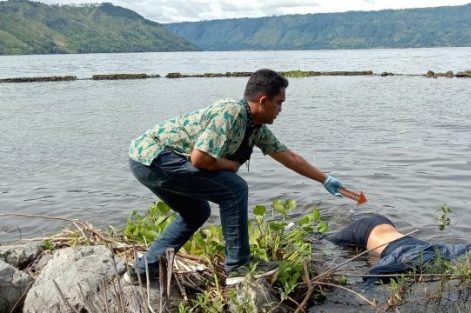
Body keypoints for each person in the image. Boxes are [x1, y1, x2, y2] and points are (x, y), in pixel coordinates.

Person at [127, 69, 345, 286]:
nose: (281, 109)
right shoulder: (231, 113)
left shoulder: (255, 127)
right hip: (154, 157)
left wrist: (324, 179)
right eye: (279, 102)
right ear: (262, 100)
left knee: (196, 211)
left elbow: (289, 157)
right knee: (234, 189)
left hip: (145, 160)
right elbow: (199, 159)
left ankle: (144, 269)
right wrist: (229, 165)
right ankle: (238, 266)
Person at [327, 214, 471, 283]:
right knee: (326, 239)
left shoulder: (438, 251)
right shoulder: (403, 259)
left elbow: (464, 248)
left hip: (383, 222)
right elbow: (373, 274)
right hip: (362, 229)